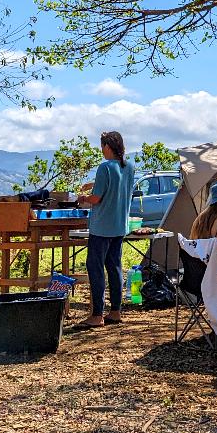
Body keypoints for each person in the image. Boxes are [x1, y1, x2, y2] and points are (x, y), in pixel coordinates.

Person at [77, 131, 136, 327]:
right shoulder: (129, 167)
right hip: (119, 226)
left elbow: (97, 198)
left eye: (102, 147)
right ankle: (115, 311)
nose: (102, 151)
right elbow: (116, 185)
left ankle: (96, 315)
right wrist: (94, 184)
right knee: (114, 267)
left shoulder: (104, 167)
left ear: (108, 147)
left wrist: (83, 199)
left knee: (95, 268)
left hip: (101, 227)